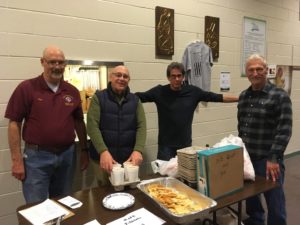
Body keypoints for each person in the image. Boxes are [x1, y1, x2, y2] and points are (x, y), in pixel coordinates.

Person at [5, 46, 89, 204]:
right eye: (52, 62)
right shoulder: (27, 88)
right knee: (37, 207)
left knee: (63, 203)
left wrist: (84, 150)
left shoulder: (72, 91)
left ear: (65, 64)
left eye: (60, 62)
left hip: (67, 156)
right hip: (37, 159)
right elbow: (14, 123)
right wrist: (16, 160)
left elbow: (79, 122)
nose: (57, 66)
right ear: (42, 62)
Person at [135, 62, 238, 161]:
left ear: (183, 76)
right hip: (165, 146)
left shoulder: (193, 92)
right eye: (173, 76)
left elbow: (216, 97)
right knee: (164, 175)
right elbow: (138, 97)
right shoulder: (159, 92)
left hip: (185, 146)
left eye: (179, 76)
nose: (177, 79)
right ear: (168, 77)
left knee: (185, 175)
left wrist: (240, 98)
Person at [237, 54, 292, 225]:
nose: (255, 73)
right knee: (251, 198)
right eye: (251, 70)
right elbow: (242, 127)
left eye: (259, 69)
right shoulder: (244, 96)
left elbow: (284, 129)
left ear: (266, 71)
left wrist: (274, 158)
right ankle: (256, 221)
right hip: (248, 159)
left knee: (274, 200)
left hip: (268, 160)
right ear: (247, 73)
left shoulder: (279, 96)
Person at [87, 65, 146, 186]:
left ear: (129, 80)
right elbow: (92, 126)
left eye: (125, 76)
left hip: (128, 160)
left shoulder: (135, 100)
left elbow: (142, 126)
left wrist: (138, 150)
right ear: (110, 77)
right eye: (118, 75)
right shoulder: (99, 98)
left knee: (130, 192)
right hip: (103, 159)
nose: (122, 78)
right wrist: (103, 151)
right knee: (104, 192)